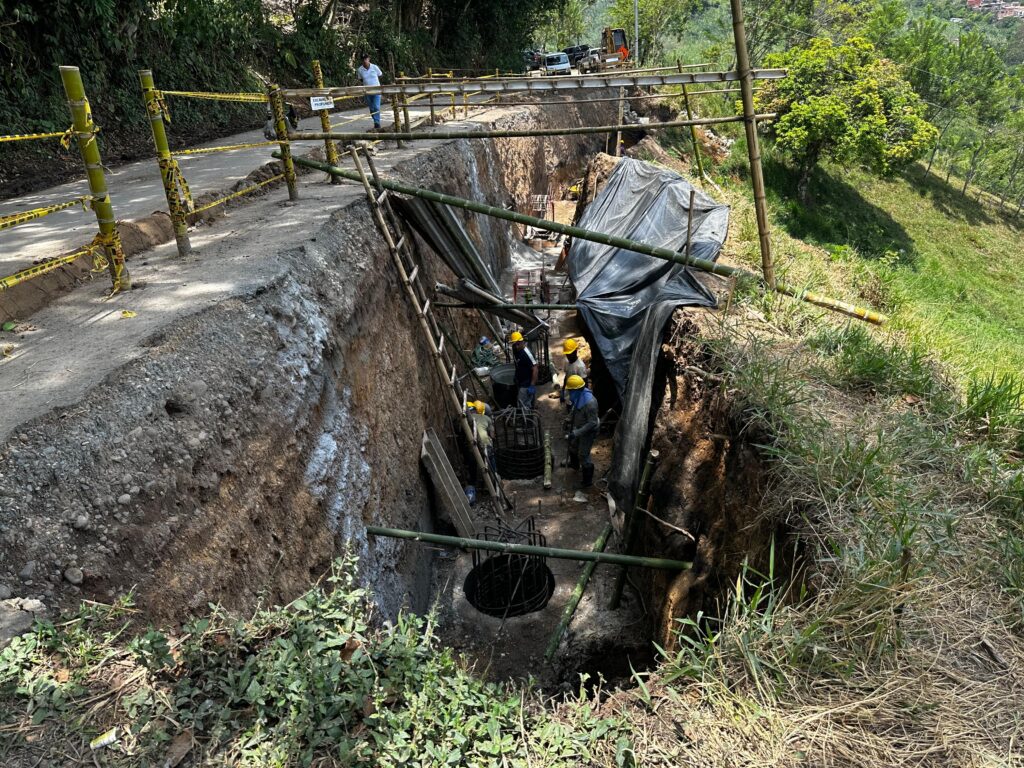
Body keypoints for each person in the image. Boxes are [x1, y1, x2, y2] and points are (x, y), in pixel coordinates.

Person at [564, 374, 600, 502]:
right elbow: (574, 409)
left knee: (583, 454)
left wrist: (577, 432)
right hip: (579, 427)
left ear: (577, 390)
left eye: (570, 391)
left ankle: (587, 481)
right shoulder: (578, 397)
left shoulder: (590, 403)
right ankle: (574, 465)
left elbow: (592, 423)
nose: (569, 393)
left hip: (588, 431)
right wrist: (568, 419)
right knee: (573, 446)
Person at [510, 330, 538, 410]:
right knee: (526, 403)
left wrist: (532, 385)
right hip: (521, 381)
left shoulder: (527, 353)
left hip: (526, 384)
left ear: (522, 341)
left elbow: (535, 369)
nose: (516, 346)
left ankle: (527, 420)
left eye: (518, 344)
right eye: (515, 345)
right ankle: (529, 416)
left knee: (523, 405)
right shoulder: (516, 350)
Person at [466, 400, 496, 474]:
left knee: (474, 461)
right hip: (485, 442)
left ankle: (473, 480)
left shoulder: (466, 419)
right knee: (490, 458)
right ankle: (494, 473)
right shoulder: (485, 417)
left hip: (478, 443)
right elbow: (492, 435)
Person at [356, 54, 384, 130]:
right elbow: (361, 79)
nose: (365, 61)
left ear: (369, 59)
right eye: (363, 59)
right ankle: (375, 120)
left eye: (366, 59)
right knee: (371, 108)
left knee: (376, 106)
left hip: (376, 90)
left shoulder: (374, 67)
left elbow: (380, 75)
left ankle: (377, 123)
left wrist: (375, 82)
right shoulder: (360, 70)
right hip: (367, 91)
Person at [559, 338, 589, 404]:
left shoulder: (580, 366)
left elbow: (585, 384)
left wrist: (583, 399)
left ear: (575, 351)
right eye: (567, 354)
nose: (568, 356)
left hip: (577, 394)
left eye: (570, 354)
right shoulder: (566, 361)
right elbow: (566, 377)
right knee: (569, 406)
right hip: (569, 391)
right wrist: (563, 391)